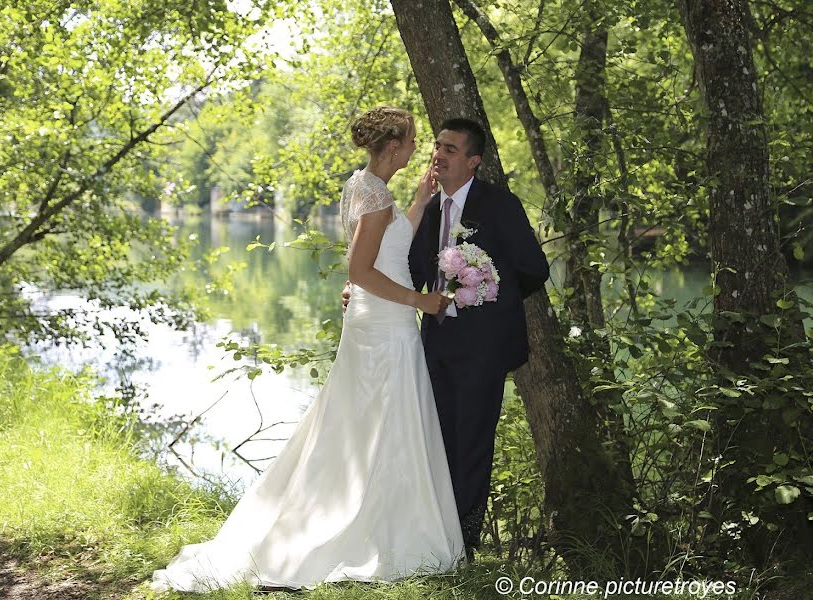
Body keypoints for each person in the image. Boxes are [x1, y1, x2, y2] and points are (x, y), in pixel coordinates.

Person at [150, 106, 464, 593]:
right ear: (394, 145)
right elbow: (361, 271)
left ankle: (366, 517)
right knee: (375, 422)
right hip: (385, 323)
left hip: (372, 318)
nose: (419, 148)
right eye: (413, 140)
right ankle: (373, 530)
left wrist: (420, 204)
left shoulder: (362, 186)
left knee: (360, 424)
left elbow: (378, 253)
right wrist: (420, 299)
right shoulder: (376, 199)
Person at [345, 117, 550, 559]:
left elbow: (535, 269)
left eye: (450, 149)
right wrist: (360, 287)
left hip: (484, 348)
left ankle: (465, 542)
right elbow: (411, 271)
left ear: (473, 161)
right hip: (432, 345)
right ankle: (436, 536)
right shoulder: (432, 207)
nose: (437, 154)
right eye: (436, 146)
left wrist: (487, 295)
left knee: (473, 443)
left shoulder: (499, 205)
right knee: (434, 443)